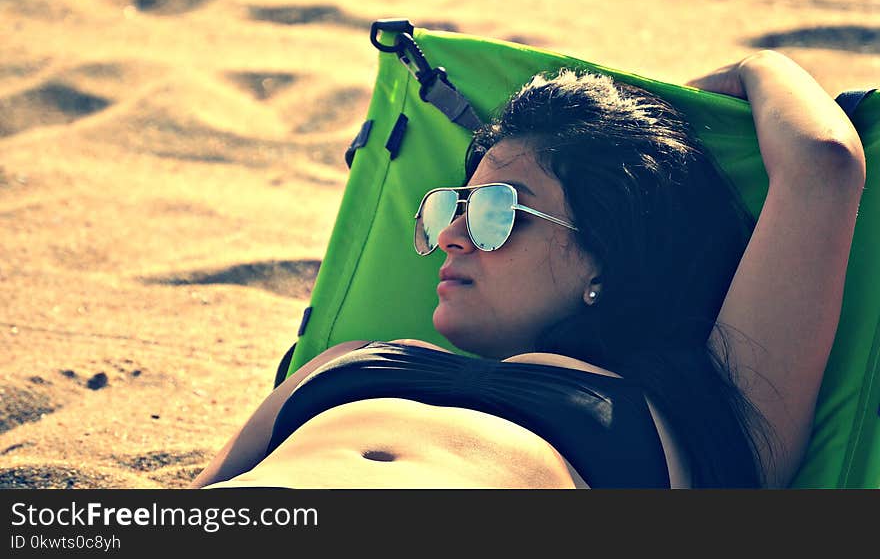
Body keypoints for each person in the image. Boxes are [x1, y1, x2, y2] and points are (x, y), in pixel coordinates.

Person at [190, 50, 866, 489]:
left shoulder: (702, 415)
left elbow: (823, 165)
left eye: (495, 213)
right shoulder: (343, 359)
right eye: (451, 209)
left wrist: (752, 67)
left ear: (608, 254)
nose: (453, 237)